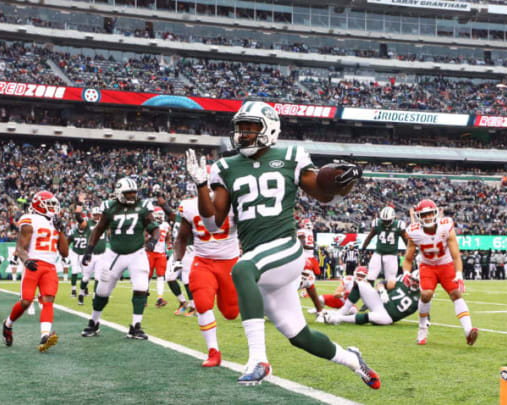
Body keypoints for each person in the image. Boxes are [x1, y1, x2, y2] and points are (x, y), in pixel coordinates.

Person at [185, 100, 379, 388]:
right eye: (240, 129)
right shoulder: (225, 166)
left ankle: (258, 360)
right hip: (260, 261)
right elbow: (214, 223)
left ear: (269, 128)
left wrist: (343, 184)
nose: (244, 134)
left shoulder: (291, 155)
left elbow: (324, 196)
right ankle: (353, 361)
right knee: (299, 336)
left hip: (284, 247)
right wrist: (202, 186)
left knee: (241, 270)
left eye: (250, 128)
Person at [80, 177, 161, 340]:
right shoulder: (110, 208)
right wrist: (89, 250)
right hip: (114, 254)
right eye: (128, 193)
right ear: (119, 193)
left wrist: (152, 241)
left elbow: (154, 228)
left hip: (137, 253)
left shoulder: (142, 206)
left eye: (133, 192)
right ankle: (94, 322)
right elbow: (98, 230)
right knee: (102, 291)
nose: (132, 195)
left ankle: (136, 326)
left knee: (141, 286)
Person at [173, 175, 240, 367]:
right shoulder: (189, 206)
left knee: (230, 313)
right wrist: (177, 260)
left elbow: (246, 230)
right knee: (202, 303)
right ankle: (213, 351)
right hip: (203, 261)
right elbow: (182, 237)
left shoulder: (235, 204)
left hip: (229, 262)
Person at [403, 199, 478, 346]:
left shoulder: (446, 226)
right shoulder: (414, 231)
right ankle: (422, 328)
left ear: (436, 213)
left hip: (445, 264)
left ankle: (468, 331)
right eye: (424, 215)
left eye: (430, 214)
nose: (427, 217)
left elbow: (456, 254)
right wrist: (406, 273)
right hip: (427, 266)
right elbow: (408, 258)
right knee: (426, 294)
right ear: (419, 217)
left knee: (456, 293)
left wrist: (459, 275)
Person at [2, 190, 68, 352]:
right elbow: (20, 247)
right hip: (34, 264)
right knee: (26, 301)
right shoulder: (30, 219)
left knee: (48, 300)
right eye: (50, 204)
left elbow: (65, 252)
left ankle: (45, 336)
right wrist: (26, 260)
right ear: (39, 205)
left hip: (50, 266)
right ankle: (8, 324)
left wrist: (62, 231)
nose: (53, 208)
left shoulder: (55, 223)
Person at [325, 267, 420, 326]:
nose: (413, 282)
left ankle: (339, 318)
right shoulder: (400, 282)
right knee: (359, 284)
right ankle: (343, 311)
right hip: (380, 304)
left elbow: (424, 311)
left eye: (417, 281)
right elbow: (381, 283)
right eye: (413, 280)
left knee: (370, 317)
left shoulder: (421, 296)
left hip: (387, 317)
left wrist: (425, 321)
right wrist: (382, 291)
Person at [360, 206, 407, 284]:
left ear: (393, 218)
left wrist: (410, 251)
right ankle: (369, 294)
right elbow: (369, 237)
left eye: (388, 220)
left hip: (392, 255)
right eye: (384, 220)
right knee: (371, 276)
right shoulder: (377, 223)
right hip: (378, 253)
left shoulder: (399, 225)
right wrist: (363, 248)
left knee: (391, 280)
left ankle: (388, 295)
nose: (386, 222)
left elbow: (405, 240)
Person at [147, 206, 171, 308]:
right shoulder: (150, 224)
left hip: (161, 253)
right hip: (150, 252)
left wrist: (168, 243)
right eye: (159, 215)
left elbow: (168, 235)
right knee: (147, 275)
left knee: (161, 276)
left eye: (162, 215)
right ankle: (143, 298)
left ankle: (159, 298)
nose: (161, 217)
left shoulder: (166, 225)